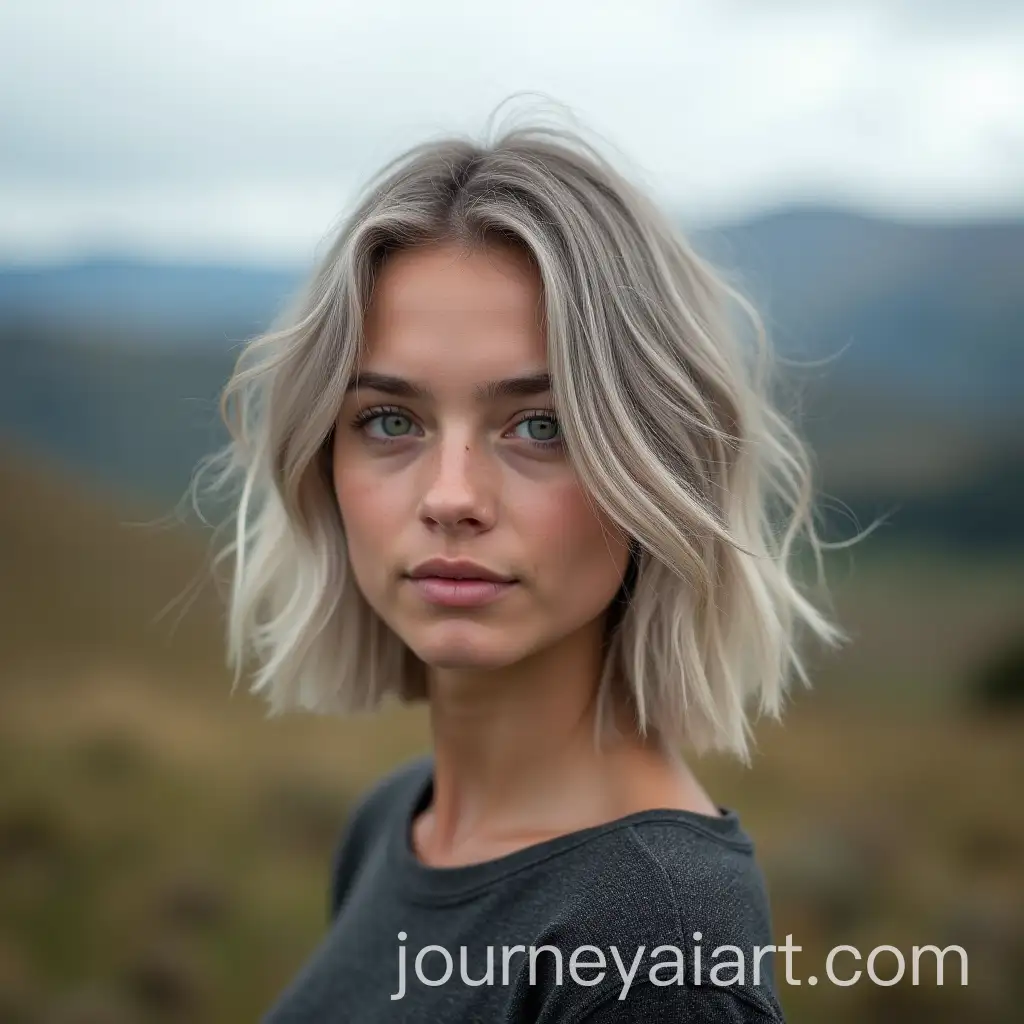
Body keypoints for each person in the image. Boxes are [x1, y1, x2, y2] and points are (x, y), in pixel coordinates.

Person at [198, 100, 866, 1022]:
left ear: (654, 463)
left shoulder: (653, 942)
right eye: (390, 420)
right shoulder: (398, 822)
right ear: (325, 459)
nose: (452, 496)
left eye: (539, 426)